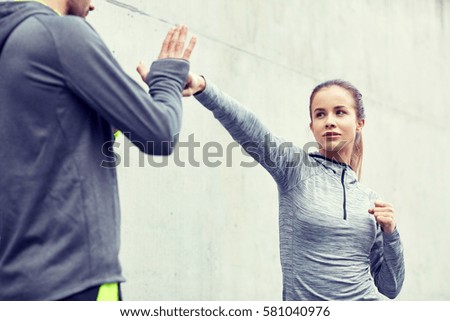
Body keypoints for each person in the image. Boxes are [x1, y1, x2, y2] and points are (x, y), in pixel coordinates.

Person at [0, 0, 196, 300]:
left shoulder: (12, 44)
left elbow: (51, 137)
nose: (93, 5)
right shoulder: (61, 35)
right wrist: (168, 77)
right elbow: (160, 133)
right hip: (73, 282)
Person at [180, 73, 405, 300]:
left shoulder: (369, 200)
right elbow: (252, 130)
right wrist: (203, 88)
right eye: (320, 114)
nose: (329, 121)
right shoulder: (296, 168)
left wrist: (391, 234)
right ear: (312, 126)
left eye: (340, 112)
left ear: (359, 124)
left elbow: (390, 287)